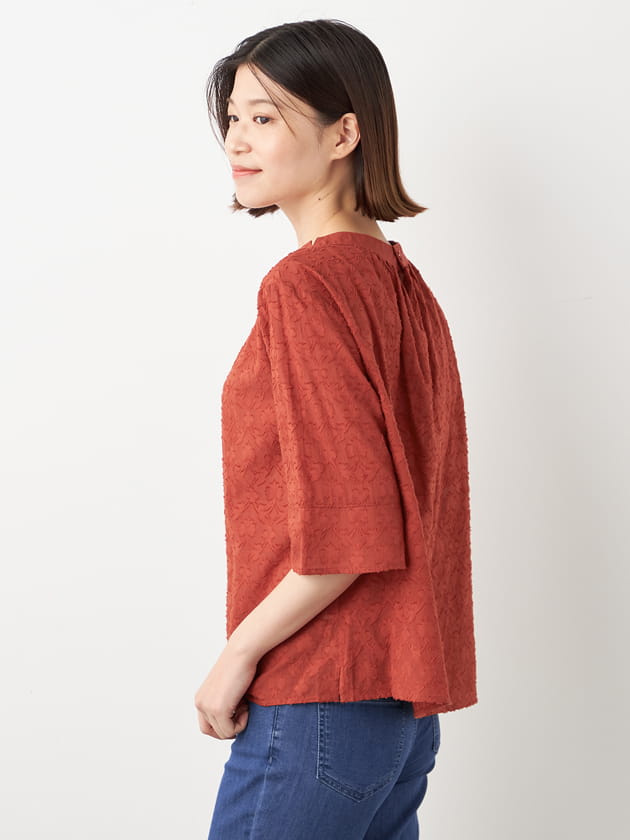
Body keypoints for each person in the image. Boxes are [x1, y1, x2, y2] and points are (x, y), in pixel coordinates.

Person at [194, 18, 478, 840]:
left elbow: (352, 532)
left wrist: (235, 658)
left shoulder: (306, 287)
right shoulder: (400, 283)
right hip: (397, 711)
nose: (237, 142)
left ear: (344, 134)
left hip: (319, 697)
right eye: (233, 119)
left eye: (264, 117)